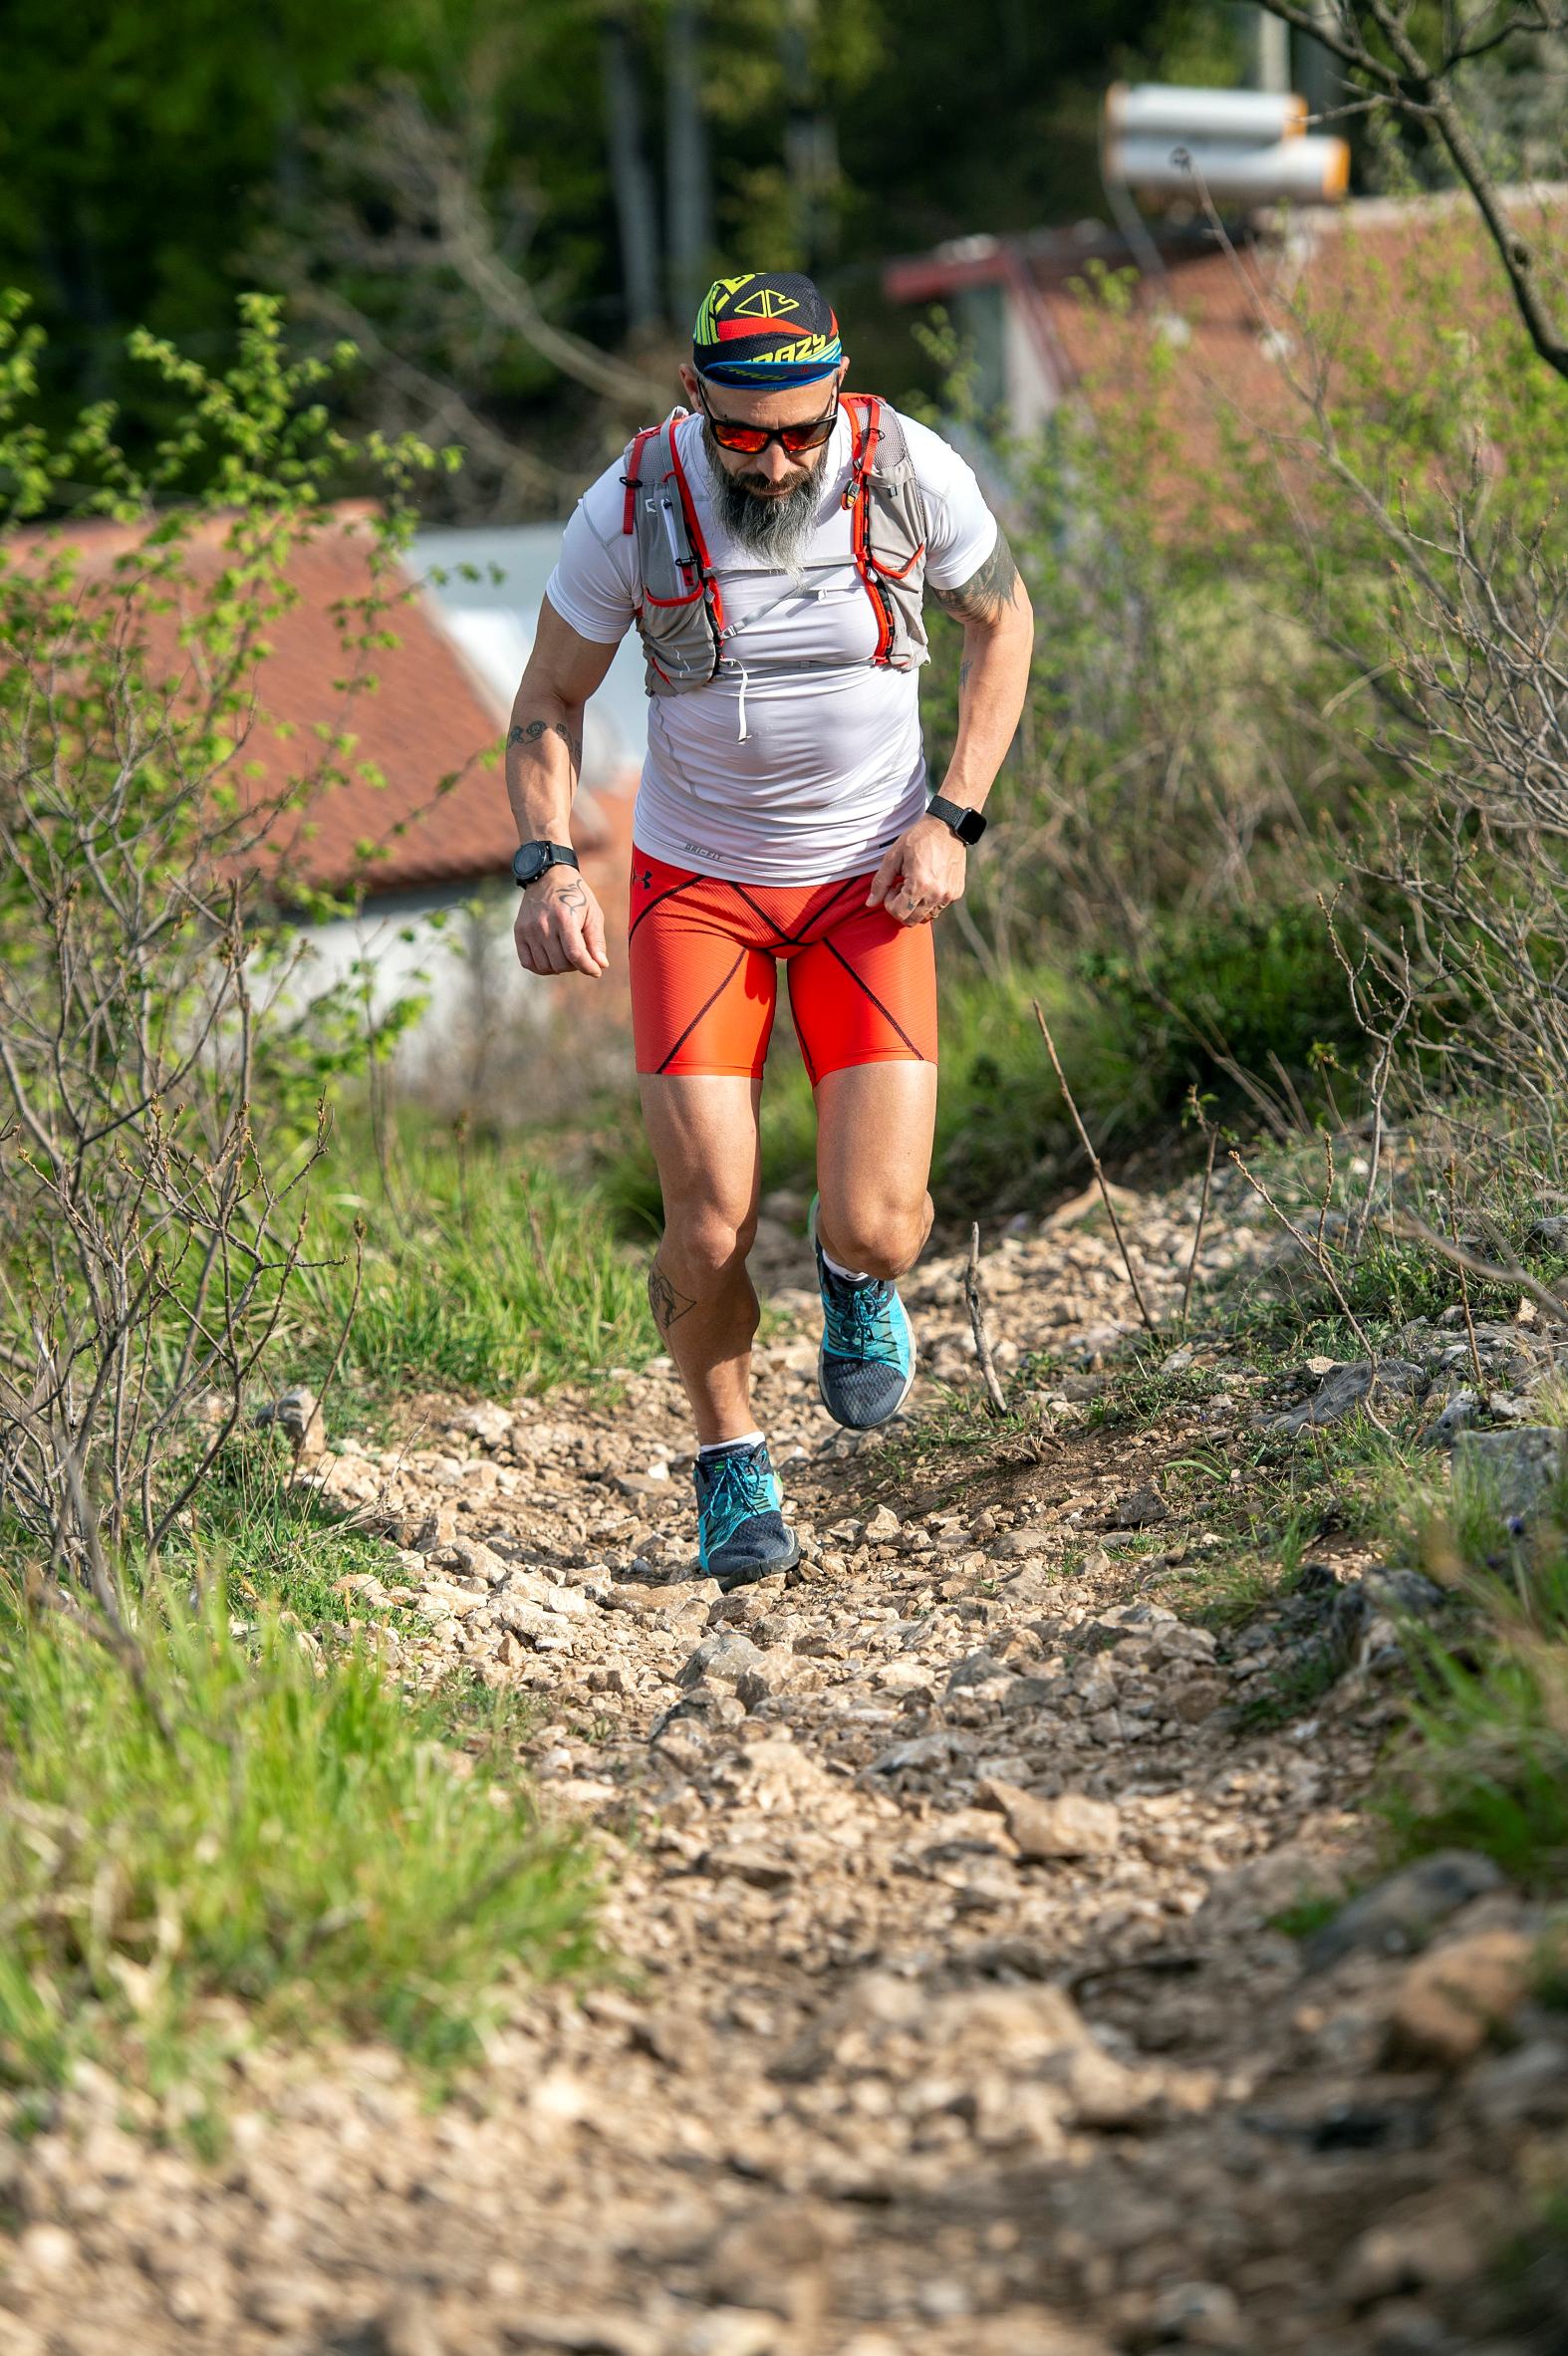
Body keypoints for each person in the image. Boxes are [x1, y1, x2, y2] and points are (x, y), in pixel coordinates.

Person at [506, 270, 1032, 1590]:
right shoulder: (630, 503)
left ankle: (857, 1278)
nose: (779, 459)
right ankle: (729, 1460)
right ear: (694, 397)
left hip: (872, 882)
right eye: (747, 433)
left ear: (838, 391)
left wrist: (954, 818)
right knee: (707, 1221)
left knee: (881, 1221)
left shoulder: (909, 469)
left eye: (802, 429)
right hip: (700, 891)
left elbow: (1003, 621)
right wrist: (549, 865)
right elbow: (547, 702)